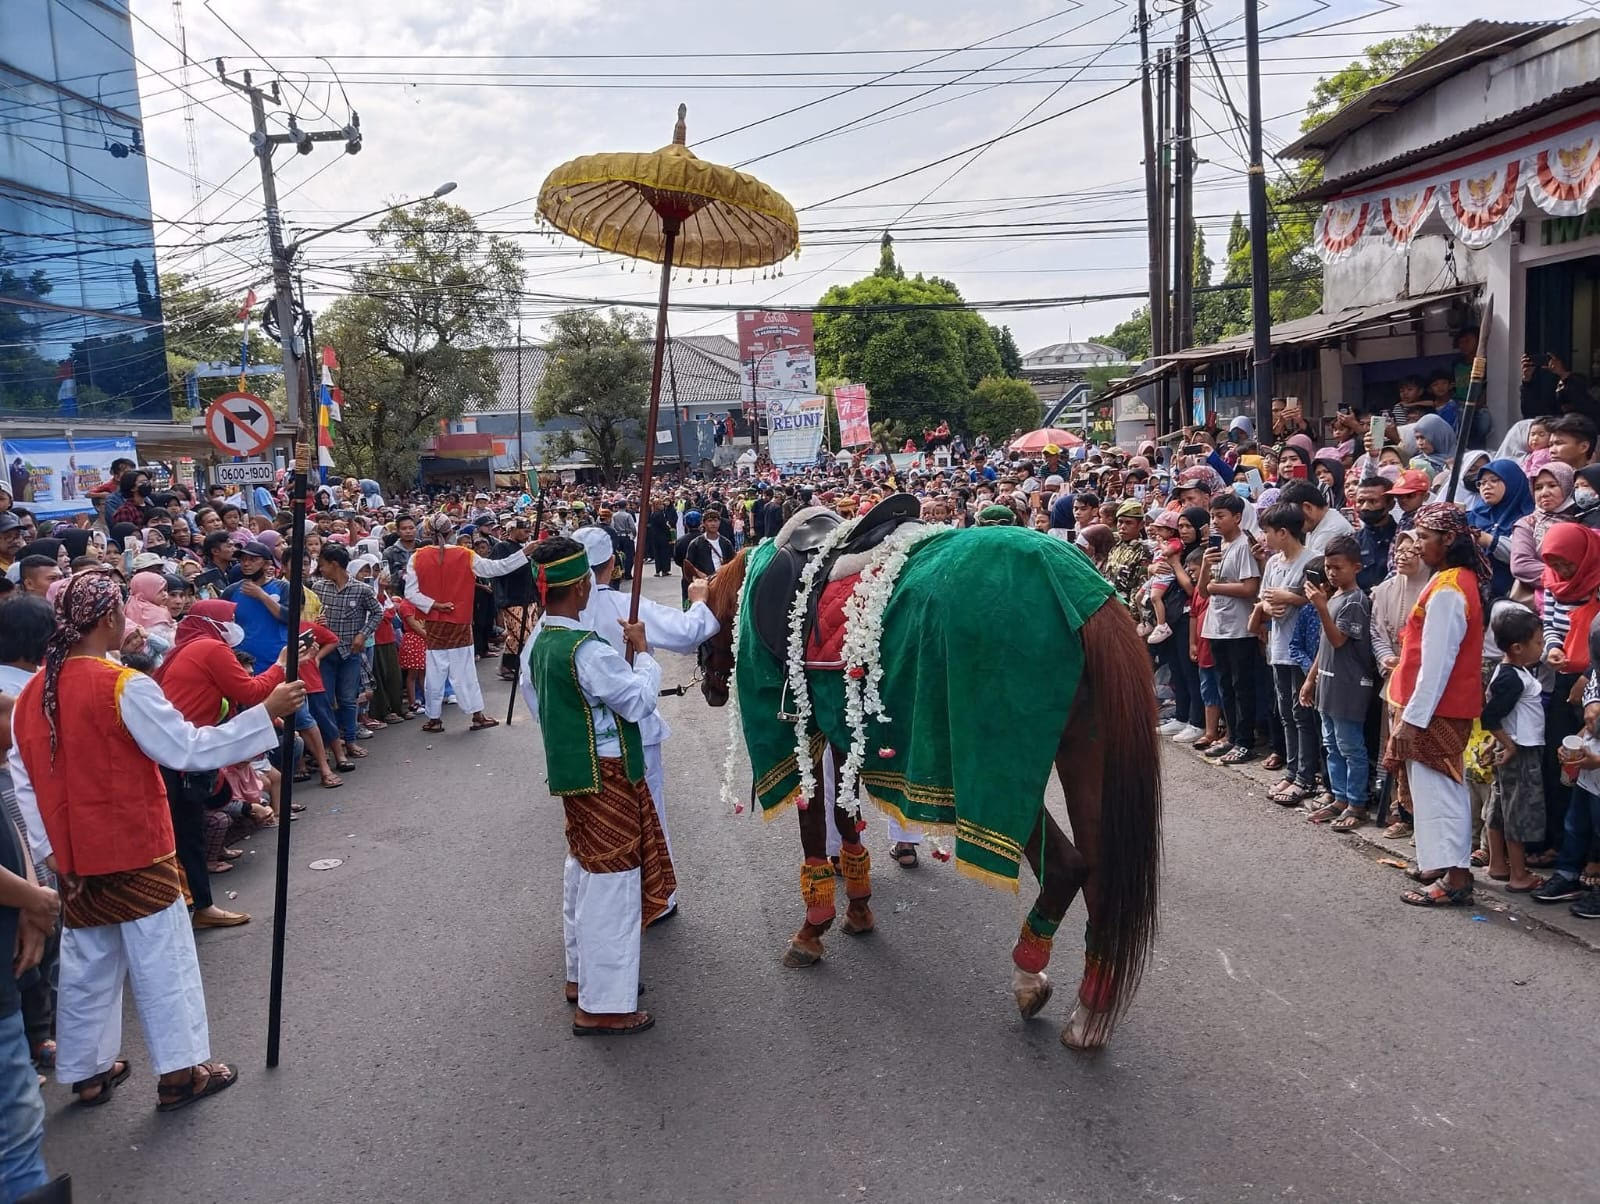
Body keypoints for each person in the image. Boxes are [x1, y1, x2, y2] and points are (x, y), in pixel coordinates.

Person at [8, 572, 306, 1108]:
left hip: (73, 855)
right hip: (134, 845)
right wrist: (265, 713)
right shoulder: (121, 685)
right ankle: (180, 1072)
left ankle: (89, 1070)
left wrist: (51, 848)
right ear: (107, 620)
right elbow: (187, 749)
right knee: (162, 958)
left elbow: (24, 774)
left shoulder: (35, 692)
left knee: (89, 961)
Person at [520, 537, 675, 1036]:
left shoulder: (541, 641)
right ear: (581, 587)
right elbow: (636, 702)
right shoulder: (585, 650)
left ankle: (581, 977)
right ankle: (604, 1004)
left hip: (577, 774)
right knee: (612, 885)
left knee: (583, 874)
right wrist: (646, 655)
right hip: (605, 774)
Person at [569, 526, 719, 920]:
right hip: (631, 729)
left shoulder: (556, 618)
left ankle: (611, 898)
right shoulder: (624, 606)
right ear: (613, 563)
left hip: (577, 737)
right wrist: (699, 599)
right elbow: (690, 634)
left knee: (594, 820)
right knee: (647, 814)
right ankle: (654, 897)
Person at [1385, 504, 1487, 908]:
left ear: (1448, 540)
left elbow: (1437, 664)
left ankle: (1456, 877)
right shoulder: (1451, 580)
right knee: (1433, 789)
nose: (1418, 544)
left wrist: (1413, 719)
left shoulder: (1449, 588)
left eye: (1425, 536)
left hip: (1436, 707)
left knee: (1441, 791)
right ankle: (1439, 864)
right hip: (1434, 705)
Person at [404, 512, 534, 733]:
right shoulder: (465, 555)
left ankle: (434, 718)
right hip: (460, 620)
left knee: (435, 670)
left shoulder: (417, 556)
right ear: (450, 532)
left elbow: (411, 593)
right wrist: (524, 553)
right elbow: (497, 568)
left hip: (434, 622)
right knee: (464, 670)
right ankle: (477, 715)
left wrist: (435, 605)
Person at [1300, 537, 1378, 829]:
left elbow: (1338, 639)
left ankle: (1357, 804)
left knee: (1350, 746)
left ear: (1356, 567)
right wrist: (1310, 679)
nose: (1331, 573)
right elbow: (1324, 647)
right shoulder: (1333, 597)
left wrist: (1321, 607)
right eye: (1328, 568)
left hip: (1350, 686)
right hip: (1328, 684)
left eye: (1338, 567)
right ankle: (1340, 797)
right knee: (1331, 744)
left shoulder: (1356, 601)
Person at [1480, 604, 1548, 893]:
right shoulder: (1513, 678)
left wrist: (1497, 742)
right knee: (1518, 812)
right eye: (1539, 643)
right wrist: (1507, 744)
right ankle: (1519, 874)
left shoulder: (1507, 671)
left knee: (1501, 806)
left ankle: (1498, 863)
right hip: (1520, 751)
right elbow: (1490, 716)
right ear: (1518, 647)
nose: (1542, 648)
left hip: (1513, 748)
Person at [1255, 503, 1316, 803]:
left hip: (1302, 649)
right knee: (1285, 712)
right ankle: (1292, 771)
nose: (1264, 537)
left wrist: (1288, 597)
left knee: (1301, 712)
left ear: (1283, 532)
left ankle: (1306, 775)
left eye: (1267, 531)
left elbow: (1320, 601)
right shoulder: (1273, 563)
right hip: (1277, 646)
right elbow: (1263, 600)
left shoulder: (1311, 561)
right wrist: (1269, 605)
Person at [1200, 493, 1262, 765]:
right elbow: (1203, 589)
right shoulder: (1216, 547)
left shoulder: (1243, 545)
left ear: (1237, 517)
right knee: (1224, 683)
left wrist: (1217, 587)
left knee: (1242, 684)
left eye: (1221, 516)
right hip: (1217, 625)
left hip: (1240, 627)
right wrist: (1205, 563)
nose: (1215, 521)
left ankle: (1245, 740)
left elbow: (1250, 587)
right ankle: (1232, 737)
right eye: (1212, 516)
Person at [307, 543, 383, 754]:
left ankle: (350, 740)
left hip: (351, 651)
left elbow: (378, 613)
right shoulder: (319, 588)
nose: (320, 569)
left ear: (334, 564)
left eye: (322, 565)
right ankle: (333, 743)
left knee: (348, 700)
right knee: (325, 700)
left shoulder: (362, 589)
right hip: (325, 652)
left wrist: (363, 634)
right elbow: (311, 615)